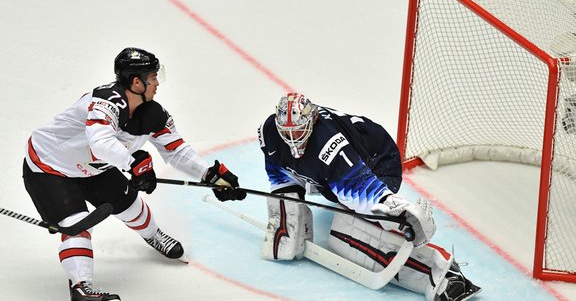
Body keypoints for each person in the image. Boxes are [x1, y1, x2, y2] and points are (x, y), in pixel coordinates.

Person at [22, 47, 246, 301]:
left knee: (130, 206)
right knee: (77, 224)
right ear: (136, 82)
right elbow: (100, 143)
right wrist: (133, 163)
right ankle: (81, 287)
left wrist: (209, 175)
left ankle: (153, 235)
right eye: (153, 77)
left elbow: (175, 151)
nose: (158, 83)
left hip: (94, 169)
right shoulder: (105, 102)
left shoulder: (152, 113)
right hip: (49, 167)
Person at [257, 93, 481, 301]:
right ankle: (288, 231)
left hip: (378, 162)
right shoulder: (270, 132)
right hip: (344, 164)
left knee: (347, 233)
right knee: (334, 198)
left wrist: (394, 208)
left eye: (298, 131)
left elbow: (362, 189)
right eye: (287, 133)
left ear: (312, 120)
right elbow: (280, 167)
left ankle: (444, 275)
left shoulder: (329, 147)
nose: (293, 138)